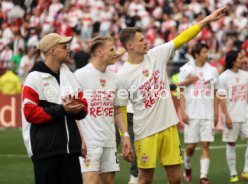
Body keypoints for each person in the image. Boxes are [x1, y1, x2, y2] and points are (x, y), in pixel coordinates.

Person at [117, 7, 227, 184]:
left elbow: (182, 38)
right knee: (145, 178)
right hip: (145, 132)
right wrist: (125, 136)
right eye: (141, 40)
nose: (146, 42)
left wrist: (206, 20)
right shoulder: (122, 75)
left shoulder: (156, 55)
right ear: (130, 46)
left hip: (169, 127)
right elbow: (120, 108)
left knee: (176, 178)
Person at [21, 33, 88, 184]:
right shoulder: (34, 78)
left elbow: (84, 107)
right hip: (46, 152)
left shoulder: (69, 75)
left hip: (70, 151)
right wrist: (63, 110)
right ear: (52, 51)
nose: (68, 50)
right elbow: (30, 113)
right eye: (64, 47)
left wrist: (79, 108)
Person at [74, 36, 133, 184]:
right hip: (89, 142)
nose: (116, 53)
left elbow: (117, 110)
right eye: (111, 50)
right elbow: (73, 111)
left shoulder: (115, 78)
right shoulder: (80, 75)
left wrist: (125, 135)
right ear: (100, 52)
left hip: (109, 141)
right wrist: (80, 139)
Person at [178, 43, 219, 184]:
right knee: (190, 147)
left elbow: (215, 92)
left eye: (207, 51)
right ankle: (188, 168)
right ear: (196, 54)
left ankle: (203, 176)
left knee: (205, 145)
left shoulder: (213, 70)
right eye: (204, 52)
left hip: (207, 114)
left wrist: (216, 112)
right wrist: (182, 111)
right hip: (192, 114)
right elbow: (181, 91)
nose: (206, 54)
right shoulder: (185, 69)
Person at [218, 50, 248, 183]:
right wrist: (227, 117)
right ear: (233, 60)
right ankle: (233, 173)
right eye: (240, 57)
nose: (243, 59)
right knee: (231, 144)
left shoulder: (246, 75)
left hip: (245, 114)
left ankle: (247, 171)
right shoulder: (223, 77)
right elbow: (221, 99)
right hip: (231, 116)